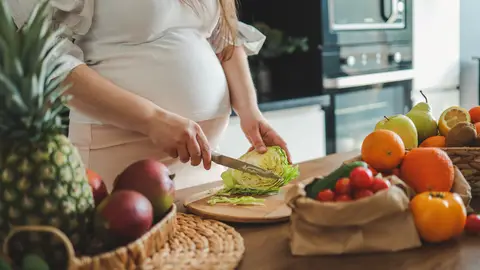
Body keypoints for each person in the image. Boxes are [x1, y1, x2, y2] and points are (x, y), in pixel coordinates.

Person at [7, 0, 291, 191]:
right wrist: (152, 119)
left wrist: (250, 111)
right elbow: (49, 58)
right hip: (122, 156)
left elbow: (225, 36)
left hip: (205, 160)